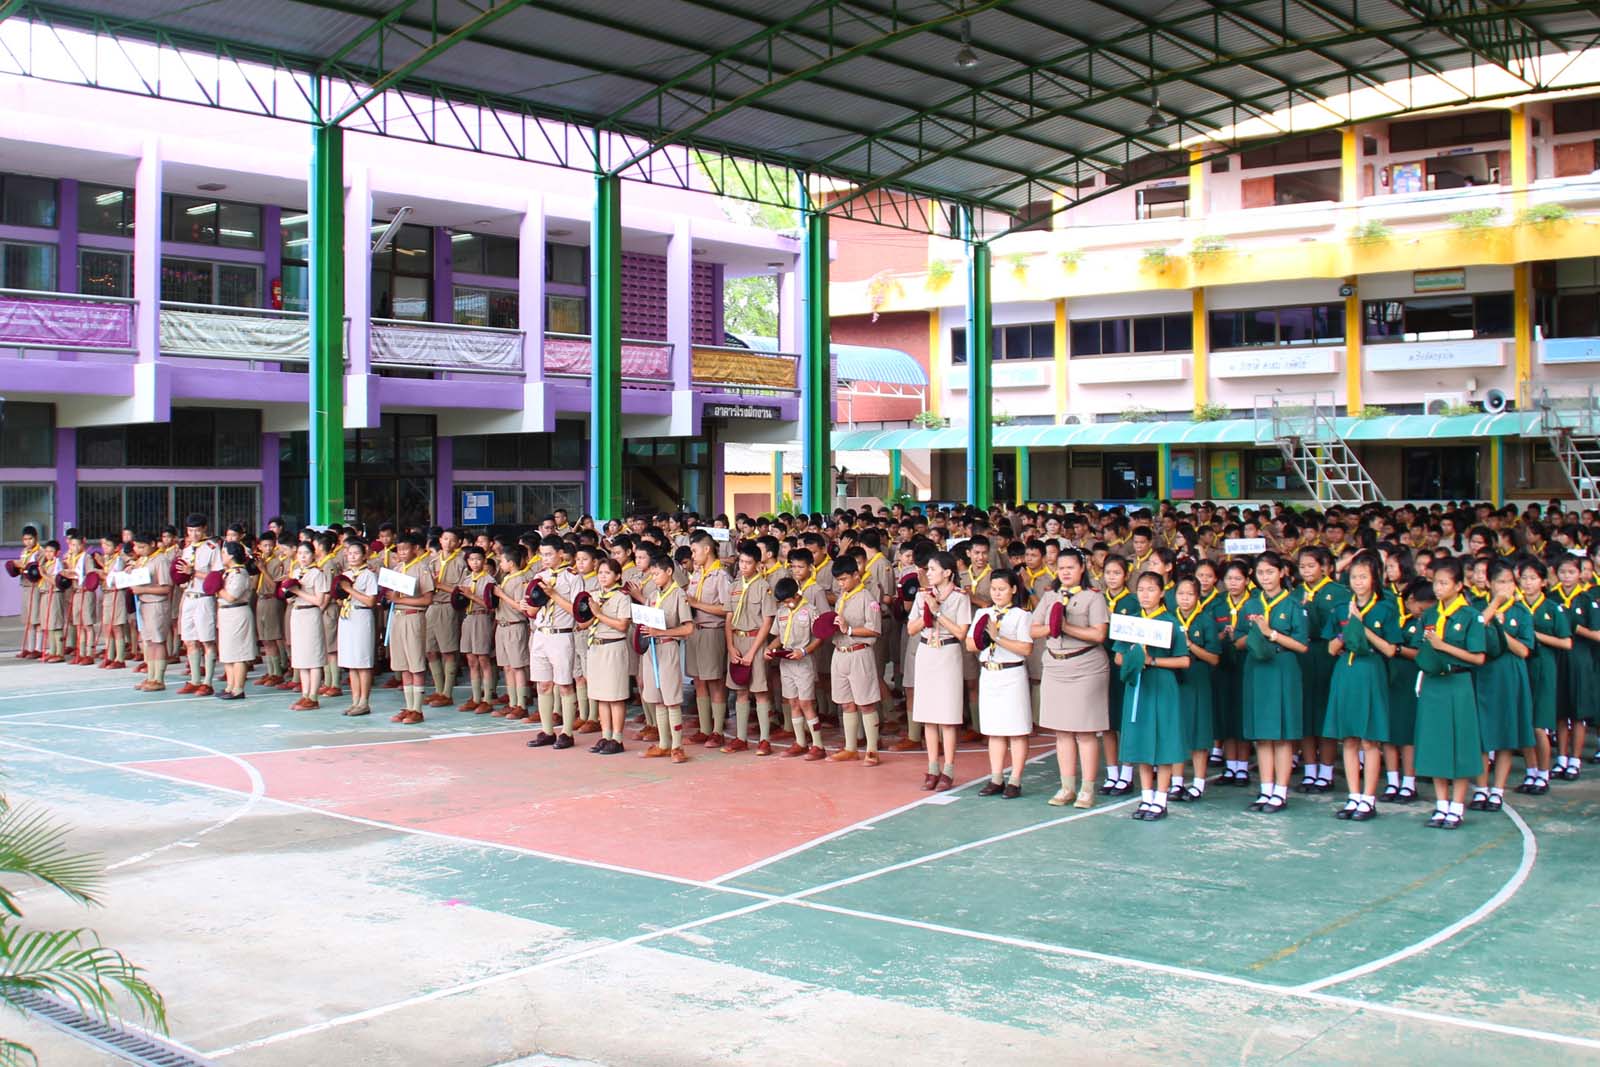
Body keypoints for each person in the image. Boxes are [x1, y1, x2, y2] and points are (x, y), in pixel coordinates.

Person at [1322, 552, 1398, 822]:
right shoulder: (1341, 608)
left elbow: (1390, 650)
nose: (1358, 582)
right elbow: (1331, 648)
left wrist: (1361, 628)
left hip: (1370, 670)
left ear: (1374, 578)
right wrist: (1346, 631)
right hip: (1346, 670)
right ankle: (1353, 795)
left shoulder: (1385, 608)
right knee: (1350, 738)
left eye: (1363, 577)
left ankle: (1369, 798)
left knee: (1369, 739)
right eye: (1354, 577)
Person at [1031, 548, 1108, 808]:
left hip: (1086, 666)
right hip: (1055, 665)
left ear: (1082, 568)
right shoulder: (1050, 595)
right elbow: (1033, 629)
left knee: (1085, 731)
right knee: (1062, 731)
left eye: (1071, 567)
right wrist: (1052, 627)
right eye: (1061, 567)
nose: (1065, 572)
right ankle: (1067, 787)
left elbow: (1099, 635)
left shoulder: (1093, 596)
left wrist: (1066, 627)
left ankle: (1087, 789)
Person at [1413, 557, 1486, 829]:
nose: (1438, 588)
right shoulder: (1430, 615)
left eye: (1444, 583)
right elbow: (1420, 647)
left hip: (1458, 683)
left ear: (1458, 586)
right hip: (1434, 683)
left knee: (1460, 744)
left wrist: (1443, 646)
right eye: (1436, 583)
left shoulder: (1470, 616)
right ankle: (1441, 804)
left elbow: (1478, 657)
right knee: (1436, 743)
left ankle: (1457, 806)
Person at [1112, 571, 1192, 822]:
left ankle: (1161, 799)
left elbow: (1184, 661)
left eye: (1151, 589)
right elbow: (1118, 656)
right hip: (1138, 685)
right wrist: (1133, 659)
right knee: (1141, 740)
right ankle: (1146, 797)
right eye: (1141, 589)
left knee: (1163, 741)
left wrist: (1152, 660)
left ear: (1161, 593)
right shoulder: (1131, 622)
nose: (1145, 595)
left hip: (1162, 684)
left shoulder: (1170, 623)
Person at [1240, 551, 1310, 814]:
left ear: (1282, 573)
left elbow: (1302, 646)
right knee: (1262, 734)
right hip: (1257, 668)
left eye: (1270, 572)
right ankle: (1265, 789)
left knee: (1282, 734)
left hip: (1282, 667)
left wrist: (1271, 634)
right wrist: (1252, 634)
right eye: (1260, 573)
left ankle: (1280, 791)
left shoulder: (1292, 605)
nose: (1265, 577)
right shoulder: (1251, 604)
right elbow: (1238, 640)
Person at [1468, 558, 1535, 812]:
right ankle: (1481, 789)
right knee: (1481, 734)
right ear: (1489, 583)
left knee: (1507, 733)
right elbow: (1474, 632)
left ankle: (1497, 790)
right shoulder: (1476, 607)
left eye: (1509, 582)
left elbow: (1524, 650)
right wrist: (1494, 606)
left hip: (1510, 675)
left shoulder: (1521, 612)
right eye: (1499, 582)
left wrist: (1501, 631)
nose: (1505, 587)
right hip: (1483, 673)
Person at [968, 569, 1033, 799]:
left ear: (1013, 590)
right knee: (994, 730)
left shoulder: (1021, 615)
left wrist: (997, 637)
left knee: (1016, 730)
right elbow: (970, 644)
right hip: (989, 672)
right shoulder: (983, 613)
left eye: (1002, 589)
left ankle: (1015, 779)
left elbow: (1026, 648)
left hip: (1011, 674)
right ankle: (996, 777)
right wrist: (984, 638)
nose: (997, 593)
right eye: (994, 589)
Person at [908, 550, 971, 784]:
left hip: (948, 652)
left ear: (947, 573)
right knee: (928, 715)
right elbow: (911, 629)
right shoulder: (922, 595)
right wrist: (927, 610)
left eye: (933, 569)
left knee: (947, 714)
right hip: (926, 651)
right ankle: (932, 767)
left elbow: (961, 632)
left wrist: (937, 612)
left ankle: (949, 768)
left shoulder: (960, 597)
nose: (929, 573)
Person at [1296, 546, 1349, 793]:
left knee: (1325, 715)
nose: (1306, 571)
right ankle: (1309, 771)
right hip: (1303, 656)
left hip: (1328, 655)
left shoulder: (1338, 592)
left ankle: (1326, 772)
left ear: (1324, 567)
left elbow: (1342, 626)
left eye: (1311, 565)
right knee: (1306, 715)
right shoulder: (1296, 593)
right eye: (1302, 566)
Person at [524, 536, 585, 749]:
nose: (545, 558)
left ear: (561, 553)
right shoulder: (539, 576)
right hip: (541, 632)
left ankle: (566, 732)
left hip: (561, 634)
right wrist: (527, 605)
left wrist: (553, 594)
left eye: (549, 554)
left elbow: (578, 611)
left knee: (565, 684)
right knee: (543, 684)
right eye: (542, 554)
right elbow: (532, 611)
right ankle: (547, 730)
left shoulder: (572, 577)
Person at [1517, 558, 1570, 795]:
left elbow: (1566, 642)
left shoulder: (1551, 608)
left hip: (1544, 668)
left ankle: (1544, 774)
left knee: (1539, 725)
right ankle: (1530, 771)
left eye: (1532, 578)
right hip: (1521, 667)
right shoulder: (1516, 607)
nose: (1527, 583)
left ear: (1543, 582)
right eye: (1524, 578)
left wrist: (1535, 635)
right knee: (1524, 724)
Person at [828, 555, 886, 770]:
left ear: (855, 575)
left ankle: (872, 749)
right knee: (846, 703)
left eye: (844, 579)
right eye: (838, 580)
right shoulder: (842, 597)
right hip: (840, 652)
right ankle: (850, 747)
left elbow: (875, 629)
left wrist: (849, 629)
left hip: (859, 652)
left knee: (866, 703)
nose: (841, 584)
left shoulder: (867, 598)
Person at [638, 552, 694, 762]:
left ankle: (677, 746)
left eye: (657, 574)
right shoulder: (652, 596)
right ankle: (663, 744)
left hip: (668, 646)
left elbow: (688, 628)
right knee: (658, 699)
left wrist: (661, 632)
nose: (653, 578)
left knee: (671, 699)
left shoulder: (678, 594)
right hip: (651, 649)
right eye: (651, 575)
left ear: (669, 571)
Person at [722, 543, 777, 752]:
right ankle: (741, 738)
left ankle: (764, 740)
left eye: (748, 563)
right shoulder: (734, 586)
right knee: (740, 691)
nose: (743, 566)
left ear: (757, 564)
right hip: (737, 641)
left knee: (760, 691)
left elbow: (767, 622)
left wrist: (753, 652)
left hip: (756, 642)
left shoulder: (763, 587)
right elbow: (728, 618)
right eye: (741, 562)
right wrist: (730, 646)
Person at [1172, 574, 1220, 803]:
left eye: (1190, 594)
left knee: (1198, 732)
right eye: (1180, 594)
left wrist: (1190, 645)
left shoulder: (1206, 621)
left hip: (1198, 679)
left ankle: (1199, 783)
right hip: (1175, 679)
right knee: (1176, 731)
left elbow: (1214, 658)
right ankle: (1176, 782)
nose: (1185, 598)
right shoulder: (1169, 619)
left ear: (1198, 596)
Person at [683, 531, 731, 744]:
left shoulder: (721, 576)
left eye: (694, 551)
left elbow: (727, 608)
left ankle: (718, 731)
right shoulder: (697, 574)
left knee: (715, 681)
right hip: (695, 630)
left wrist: (697, 604)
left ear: (707, 549)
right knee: (699, 680)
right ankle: (704, 728)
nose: (693, 556)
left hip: (712, 631)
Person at [768, 576, 823, 759]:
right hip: (786, 662)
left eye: (788, 600)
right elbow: (778, 636)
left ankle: (818, 744)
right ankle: (800, 742)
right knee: (792, 702)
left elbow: (819, 638)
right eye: (783, 602)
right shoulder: (781, 612)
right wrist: (769, 649)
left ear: (797, 594)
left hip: (803, 662)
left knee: (806, 703)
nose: (786, 604)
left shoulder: (810, 611)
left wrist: (804, 651)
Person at [583, 557, 633, 753]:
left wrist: (598, 613)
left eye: (607, 573)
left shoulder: (622, 597)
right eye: (600, 573)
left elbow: (622, 625)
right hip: (596, 646)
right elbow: (584, 622)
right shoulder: (593, 595)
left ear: (618, 576)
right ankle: (606, 736)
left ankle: (617, 739)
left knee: (615, 695)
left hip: (613, 647)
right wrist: (587, 613)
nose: (603, 576)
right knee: (601, 695)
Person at [385, 534, 435, 725]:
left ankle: (418, 709)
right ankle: (409, 706)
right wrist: (392, 598)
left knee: (416, 663)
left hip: (413, 616)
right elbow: (392, 596)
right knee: (403, 664)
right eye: (399, 550)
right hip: (397, 616)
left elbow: (427, 599)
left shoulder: (422, 568)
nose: (402, 553)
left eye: (406, 549)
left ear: (415, 549)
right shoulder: (397, 569)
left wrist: (400, 599)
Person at [1099, 556, 1137, 796]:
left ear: (1126, 575)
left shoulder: (1132, 602)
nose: (1111, 577)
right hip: (1100, 663)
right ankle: (1112, 772)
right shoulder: (1098, 599)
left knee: (1124, 721)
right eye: (1108, 573)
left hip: (1122, 664)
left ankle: (1127, 773)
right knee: (1107, 722)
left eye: (1116, 573)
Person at [175, 515, 223, 697]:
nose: (193, 534)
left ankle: (207, 682)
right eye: (190, 530)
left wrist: (193, 572)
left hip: (204, 597)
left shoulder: (212, 548)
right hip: (189, 595)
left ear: (204, 529)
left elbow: (217, 576)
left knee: (207, 640)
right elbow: (183, 573)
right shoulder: (187, 550)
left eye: (197, 530)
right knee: (190, 640)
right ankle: (195, 679)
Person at [423, 529, 466, 707]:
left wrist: (440, 585)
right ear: (440, 540)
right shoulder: (430, 561)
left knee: (448, 651)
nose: (448, 543)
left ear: (458, 543)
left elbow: (463, 590)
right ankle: (438, 690)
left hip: (448, 607)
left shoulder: (460, 562)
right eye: (445, 539)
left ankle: (447, 693)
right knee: (430, 650)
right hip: (431, 606)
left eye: (452, 540)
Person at [336, 540, 380, 716]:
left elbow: (370, 601)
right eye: (350, 553)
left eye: (356, 553)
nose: (352, 556)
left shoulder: (368, 575)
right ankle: (355, 701)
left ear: (364, 555)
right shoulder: (345, 575)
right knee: (351, 662)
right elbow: (339, 597)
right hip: (347, 616)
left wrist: (349, 589)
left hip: (361, 616)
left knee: (362, 661)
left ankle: (364, 701)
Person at [286, 540, 330, 711]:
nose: (303, 557)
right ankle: (305, 694)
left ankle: (313, 696)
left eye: (306, 553)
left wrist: (298, 591)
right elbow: (291, 598)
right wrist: (289, 593)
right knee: (301, 658)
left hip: (311, 614)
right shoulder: (296, 572)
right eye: (300, 553)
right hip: (297, 613)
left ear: (313, 555)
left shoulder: (317, 573)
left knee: (313, 657)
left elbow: (319, 600)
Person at [492, 545, 534, 721]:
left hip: (515, 625)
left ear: (510, 563)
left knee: (517, 666)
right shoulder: (506, 578)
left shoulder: (520, 580)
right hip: (502, 625)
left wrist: (501, 595)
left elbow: (521, 606)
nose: (500, 564)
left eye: (502, 561)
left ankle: (522, 705)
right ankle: (512, 702)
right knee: (507, 667)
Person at [128, 533, 174, 691]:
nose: (138, 550)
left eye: (142, 547)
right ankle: (151, 676)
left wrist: (143, 590)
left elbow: (166, 588)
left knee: (158, 641)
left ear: (153, 544)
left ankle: (159, 678)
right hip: (144, 604)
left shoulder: (160, 560)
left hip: (156, 604)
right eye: (136, 547)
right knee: (149, 642)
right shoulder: (143, 560)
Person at [214, 541, 256, 701]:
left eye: (224, 553)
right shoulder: (228, 572)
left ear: (231, 555)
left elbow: (232, 596)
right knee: (228, 652)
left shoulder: (239, 573)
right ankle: (230, 686)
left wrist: (217, 588)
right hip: (226, 613)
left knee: (238, 653)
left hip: (237, 612)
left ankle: (238, 688)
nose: (222, 556)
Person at [457, 546, 497, 713]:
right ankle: (475, 698)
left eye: (478, 559)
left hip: (482, 618)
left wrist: (471, 596)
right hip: (468, 618)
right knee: (471, 660)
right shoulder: (466, 579)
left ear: (484, 560)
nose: (475, 563)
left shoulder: (489, 580)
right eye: (472, 560)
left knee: (483, 659)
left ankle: (487, 698)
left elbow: (492, 606)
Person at [253, 532, 289, 686]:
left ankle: (277, 672)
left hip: (271, 600)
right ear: (259, 547)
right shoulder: (260, 560)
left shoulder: (275, 562)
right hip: (260, 599)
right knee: (265, 639)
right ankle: (270, 670)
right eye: (265, 545)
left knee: (272, 637)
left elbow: (274, 586)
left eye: (270, 545)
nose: (268, 548)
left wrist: (263, 569)